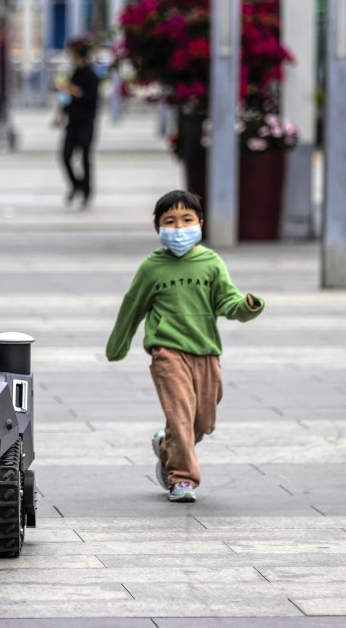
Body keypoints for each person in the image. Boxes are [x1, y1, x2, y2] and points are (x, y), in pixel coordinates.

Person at [105, 191, 264, 503]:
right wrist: (117, 346)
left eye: (186, 220)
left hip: (206, 351)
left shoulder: (211, 263)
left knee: (203, 421)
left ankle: (167, 446)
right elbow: (132, 307)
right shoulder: (152, 268)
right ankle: (182, 479)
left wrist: (247, 307)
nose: (179, 228)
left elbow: (227, 300)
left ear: (200, 223)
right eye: (170, 221)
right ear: (158, 228)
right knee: (180, 415)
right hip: (167, 352)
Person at [54, 39, 100, 209]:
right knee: (65, 156)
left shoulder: (91, 76)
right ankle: (77, 184)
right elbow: (66, 97)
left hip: (86, 122)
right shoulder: (73, 74)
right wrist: (60, 114)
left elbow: (92, 99)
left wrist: (75, 91)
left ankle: (87, 191)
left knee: (85, 157)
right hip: (72, 122)